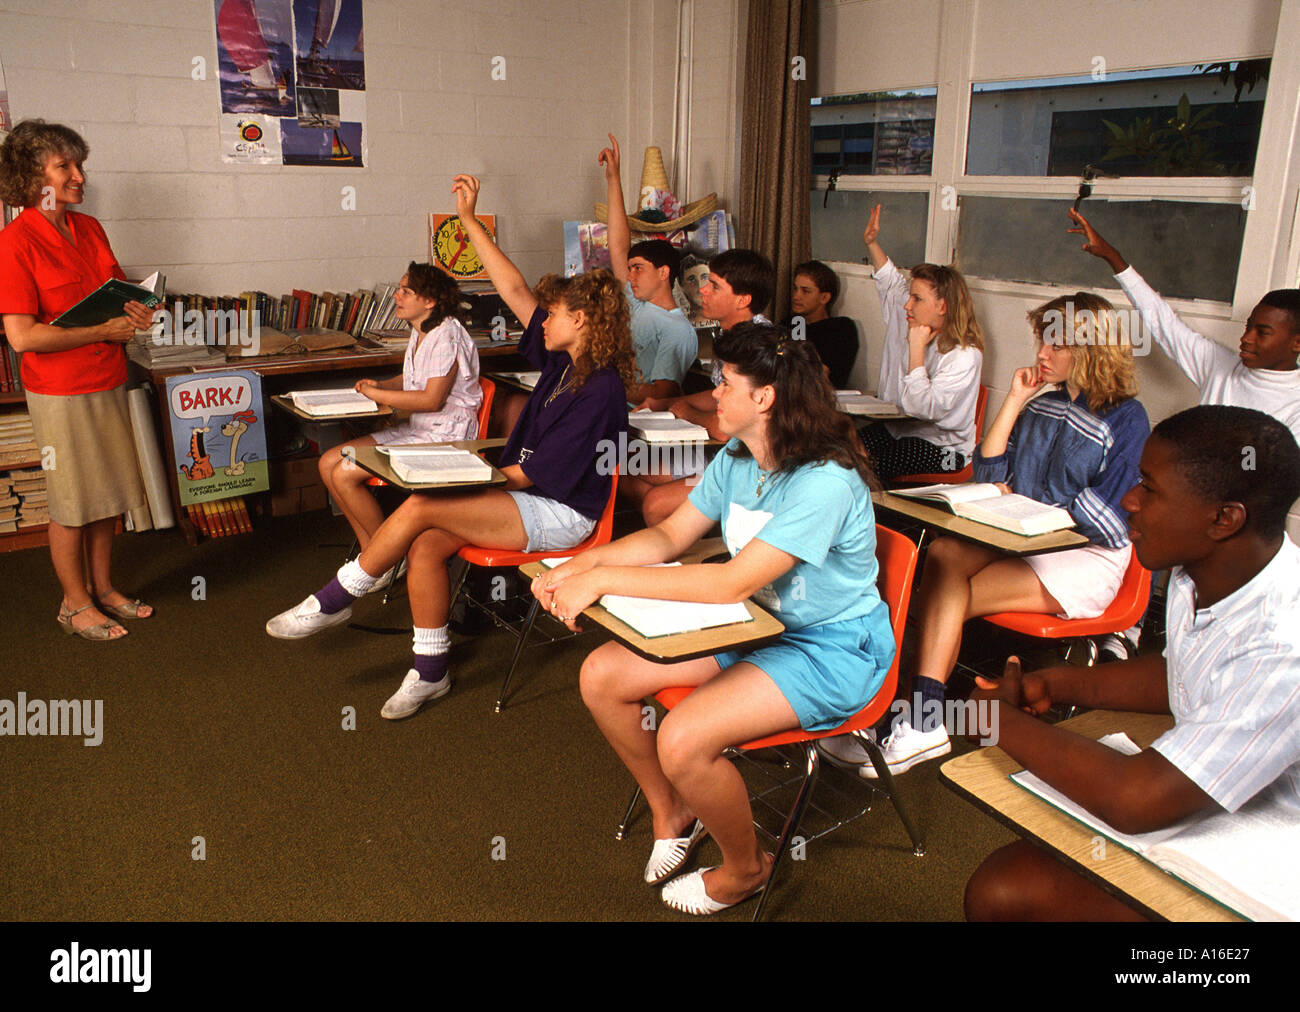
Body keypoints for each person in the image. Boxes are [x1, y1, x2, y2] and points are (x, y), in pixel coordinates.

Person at [535, 323, 893, 915]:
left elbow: (730, 580)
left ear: (765, 397)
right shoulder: (737, 455)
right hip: (751, 626)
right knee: (601, 676)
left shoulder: (825, 482)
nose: (713, 393)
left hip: (830, 649)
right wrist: (579, 564)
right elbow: (671, 534)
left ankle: (746, 869)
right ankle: (671, 811)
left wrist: (601, 581)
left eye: (725, 382)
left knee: (683, 739)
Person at [266, 173, 635, 721]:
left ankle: (339, 595)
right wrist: (466, 222)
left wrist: (458, 479)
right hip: (521, 492)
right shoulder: (564, 360)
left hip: (562, 513)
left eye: (552, 312)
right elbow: (513, 289)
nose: (541, 316)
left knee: (421, 506)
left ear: (579, 321)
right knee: (427, 541)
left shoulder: (600, 388)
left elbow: (532, 477)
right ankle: (430, 672)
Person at [964, 405, 1300, 921]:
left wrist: (993, 719)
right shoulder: (1204, 574)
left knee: (1006, 892)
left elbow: (1136, 801)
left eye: (1150, 487)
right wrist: (1057, 682)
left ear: (1223, 519)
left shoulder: (1285, 640)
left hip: (1275, 862)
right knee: (1006, 885)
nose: (1129, 500)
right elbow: (1186, 672)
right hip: (1233, 813)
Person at [822, 291, 1149, 776]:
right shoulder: (1046, 404)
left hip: (1083, 559)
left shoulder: (1128, 417)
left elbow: (1111, 517)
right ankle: (917, 720)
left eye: (1055, 345)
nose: (1041, 354)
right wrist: (1016, 400)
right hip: (1017, 538)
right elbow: (987, 472)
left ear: (1091, 348)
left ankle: (909, 717)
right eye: (1042, 341)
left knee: (940, 594)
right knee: (946, 552)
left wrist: (1040, 509)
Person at [0, 119, 157, 641]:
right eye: (64, 166)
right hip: (59, 390)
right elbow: (22, 337)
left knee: (106, 493)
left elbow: (114, 294)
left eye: (79, 164)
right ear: (31, 177)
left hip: (107, 375)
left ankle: (104, 588)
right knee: (71, 499)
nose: (79, 176)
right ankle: (73, 603)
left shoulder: (89, 228)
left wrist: (134, 314)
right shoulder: (15, 243)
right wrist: (101, 328)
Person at [318, 260, 481, 550]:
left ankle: (385, 552)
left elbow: (430, 400)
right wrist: (381, 386)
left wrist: (378, 396)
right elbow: (412, 379)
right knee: (328, 461)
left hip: (445, 438)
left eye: (406, 291)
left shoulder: (447, 336)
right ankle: (372, 550)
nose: (397, 296)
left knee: (344, 473)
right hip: (419, 429)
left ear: (429, 301)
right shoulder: (421, 329)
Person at [623, 248, 776, 525]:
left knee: (654, 502)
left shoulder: (757, 345)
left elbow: (724, 430)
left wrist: (687, 412)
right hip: (724, 452)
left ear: (743, 299)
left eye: (714, 285)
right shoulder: (733, 332)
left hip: (748, 462)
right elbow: (718, 394)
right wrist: (665, 404)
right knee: (625, 466)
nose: (703, 290)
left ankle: (688, 537)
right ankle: (691, 532)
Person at [860, 204, 984, 480]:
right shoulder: (907, 315)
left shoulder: (964, 354)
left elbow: (920, 408)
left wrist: (916, 349)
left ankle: (873, 521)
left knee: (875, 468)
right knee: (839, 451)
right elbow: (891, 283)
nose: (907, 304)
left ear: (943, 305)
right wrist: (871, 243)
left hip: (944, 448)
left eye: (917, 298)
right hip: (898, 430)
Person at [599, 134, 697, 404]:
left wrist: (598, 387)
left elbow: (663, 393)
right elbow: (618, 246)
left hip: (633, 420)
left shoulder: (677, 329)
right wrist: (613, 178)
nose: (629, 276)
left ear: (664, 273)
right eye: (629, 269)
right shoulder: (636, 301)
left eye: (638, 269)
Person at [789, 259, 858, 388]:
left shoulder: (840, 329)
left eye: (806, 291)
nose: (796, 296)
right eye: (795, 289)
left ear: (824, 298)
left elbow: (820, 374)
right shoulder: (791, 324)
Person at [679, 254, 716, 328]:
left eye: (705, 277)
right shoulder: (678, 325)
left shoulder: (728, 320)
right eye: (691, 280)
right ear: (682, 286)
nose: (700, 286)